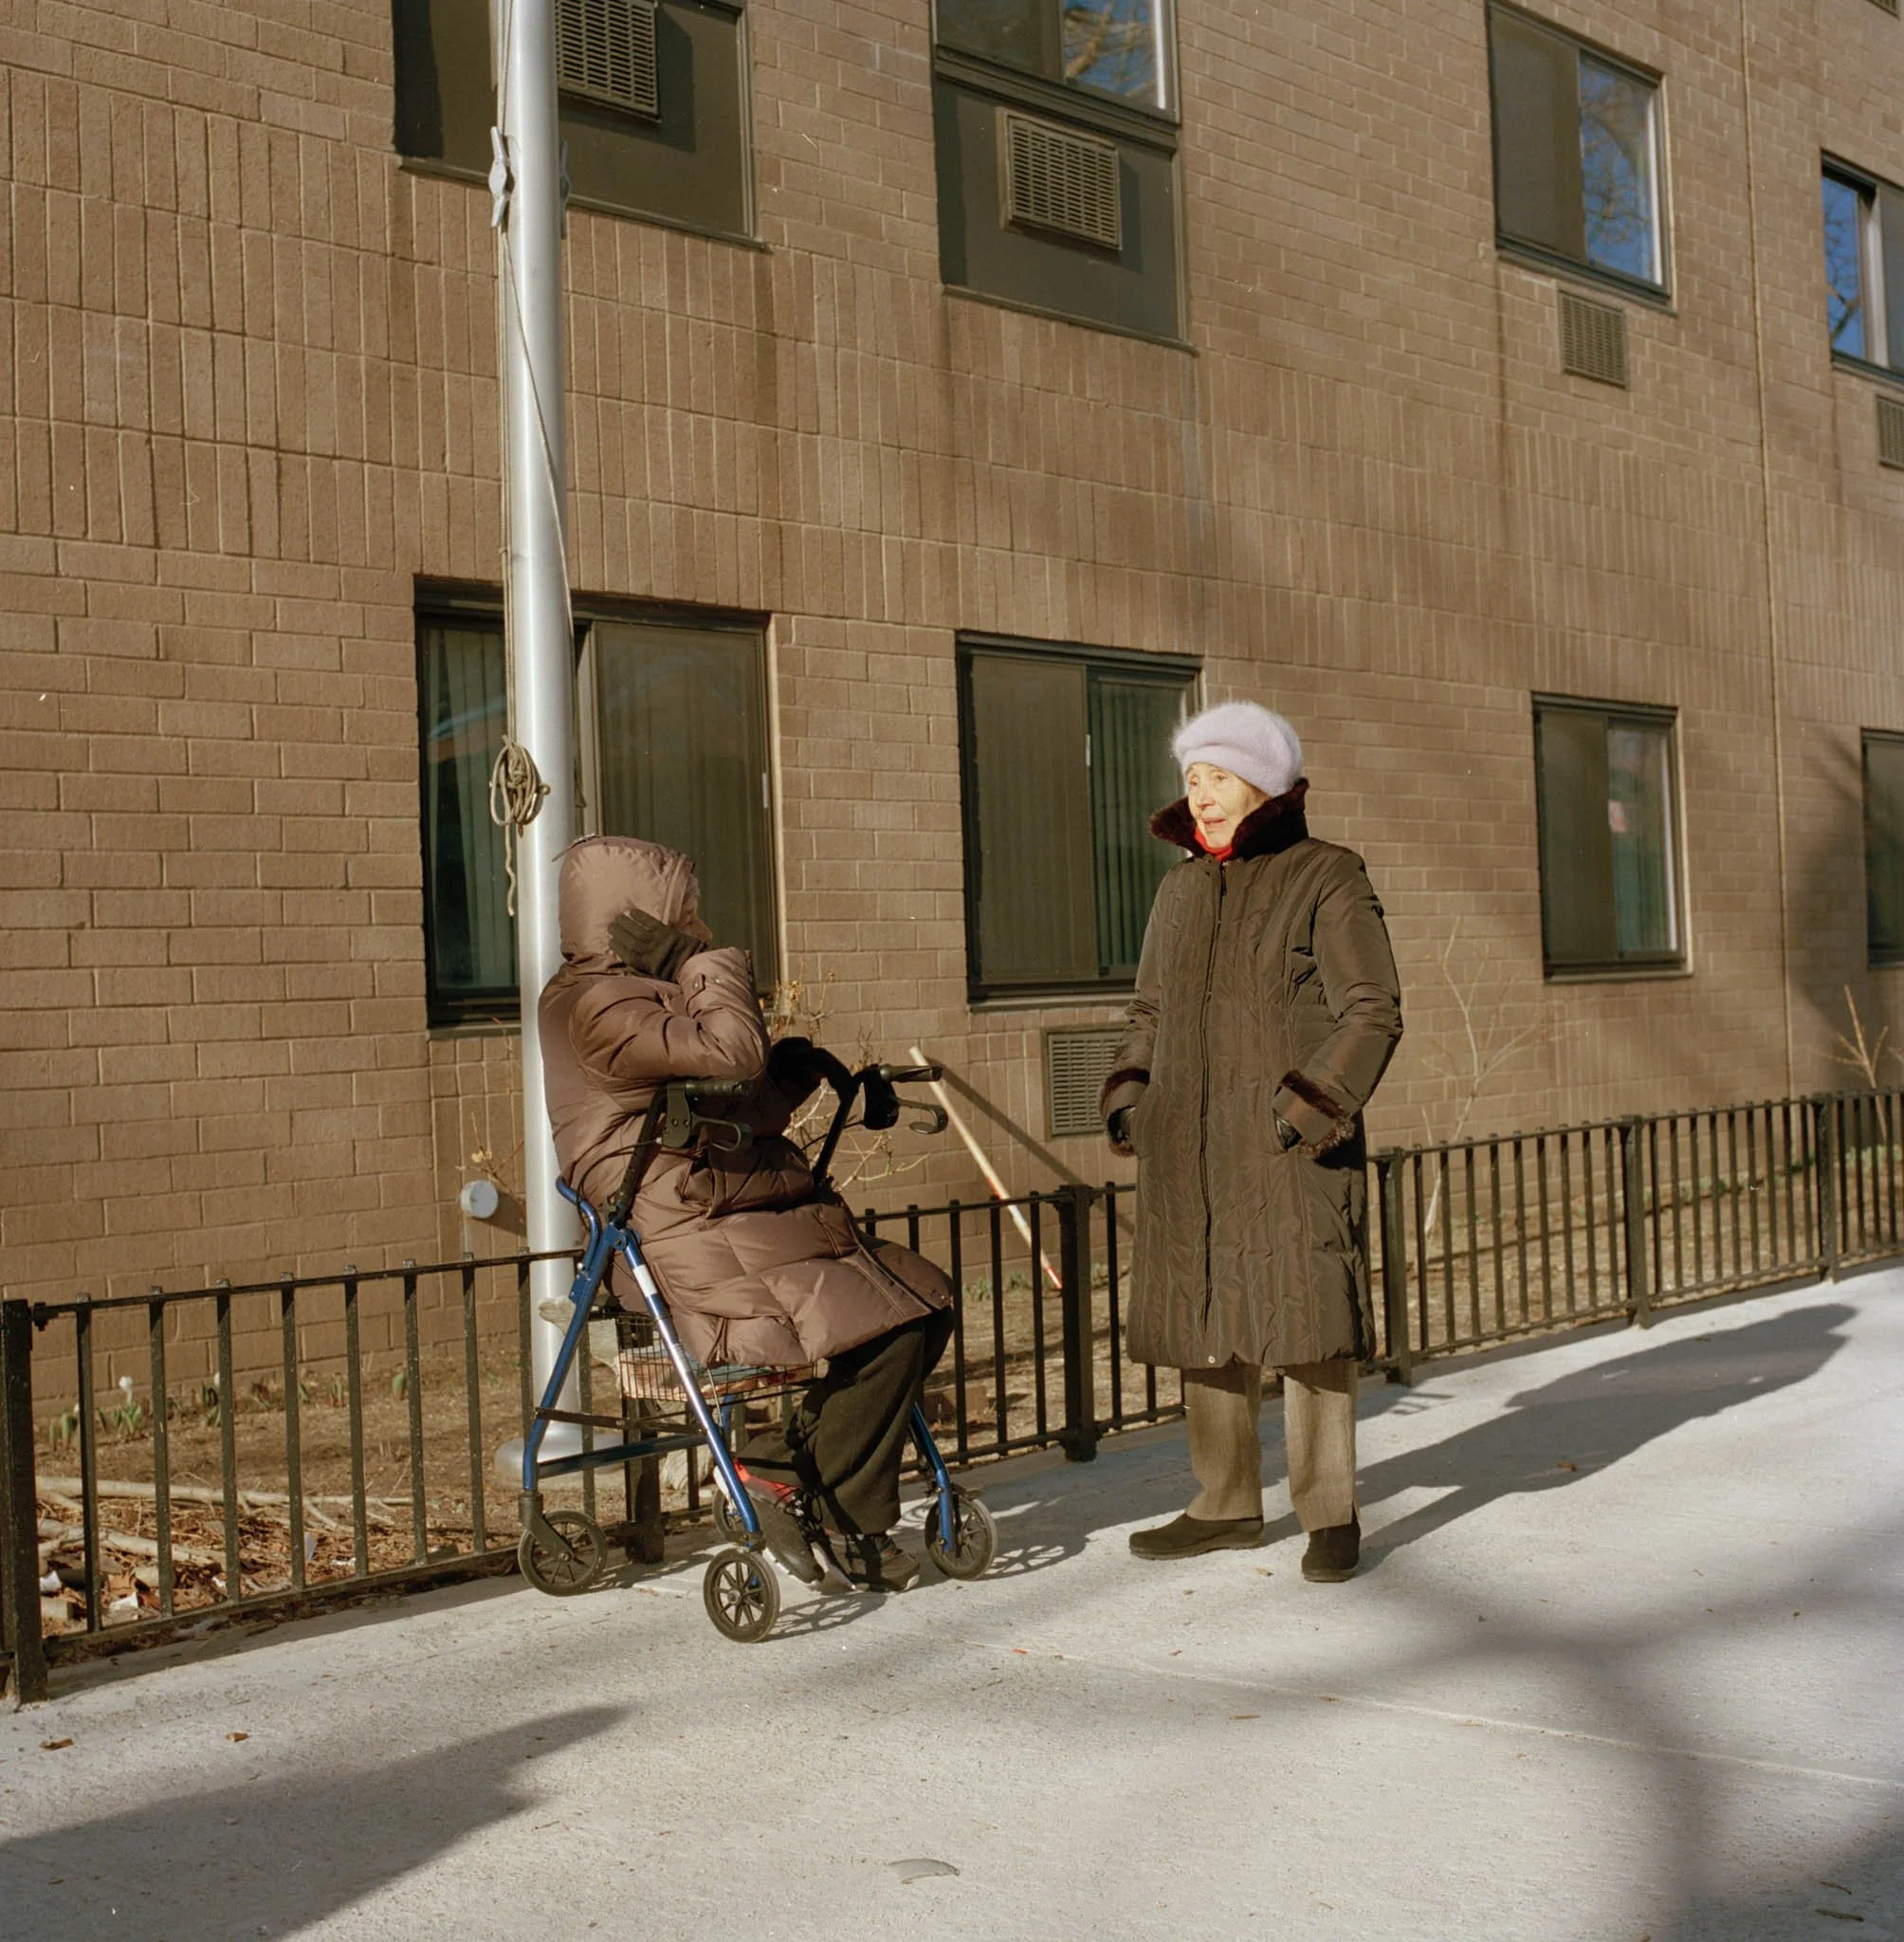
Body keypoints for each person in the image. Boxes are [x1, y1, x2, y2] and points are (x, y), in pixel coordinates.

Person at [539, 834, 953, 1592]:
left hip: (736, 1202)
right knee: (890, 1321)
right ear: (636, 915)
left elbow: (727, 1097)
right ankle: (841, 1508)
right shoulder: (594, 1005)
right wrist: (702, 965)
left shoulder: (646, 995)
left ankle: (799, 1476)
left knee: (920, 1301)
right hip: (681, 1226)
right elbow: (729, 1055)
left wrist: (793, 1076)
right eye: (684, 911)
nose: (696, 924)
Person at [1101, 701, 1402, 1582]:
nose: (1202, 796)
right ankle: (1225, 1502)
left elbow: (1371, 1009)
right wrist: (1132, 1096)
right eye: (1192, 781)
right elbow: (1149, 1010)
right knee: (1205, 1315)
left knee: (1306, 1325)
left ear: (1264, 783)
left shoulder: (1328, 875)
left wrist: (1304, 1111)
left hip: (1286, 1144)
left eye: (1219, 778)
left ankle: (1329, 1511)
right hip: (1187, 1143)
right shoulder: (1180, 889)